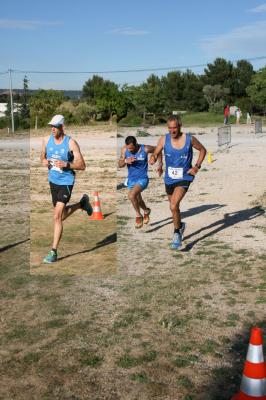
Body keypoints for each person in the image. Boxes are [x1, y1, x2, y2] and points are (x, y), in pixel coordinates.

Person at [41, 114, 93, 263]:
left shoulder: (71, 143)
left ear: (62, 127)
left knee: (57, 217)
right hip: (53, 181)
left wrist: (67, 165)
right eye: (51, 126)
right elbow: (42, 157)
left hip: (66, 181)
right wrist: (43, 161)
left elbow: (82, 166)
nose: (52, 129)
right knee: (61, 215)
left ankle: (53, 252)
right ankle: (82, 204)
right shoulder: (45, 140)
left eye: (55, 126)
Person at [149, 115, 207, 250]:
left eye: (174, 128)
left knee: (174, 205)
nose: (172, 131)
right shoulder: (164, 139)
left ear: (180, 126)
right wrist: (153, 158)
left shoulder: (189, 139)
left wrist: (196, 166)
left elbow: (203, 150)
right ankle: (180, 226)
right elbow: (156, 152)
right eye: (170, 128)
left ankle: (176, 234)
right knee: (173, 207)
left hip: (184, 177)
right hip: (169, 178)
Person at [118, 136, 163, 228]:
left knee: (131, 195)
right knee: (138, 200)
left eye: (131, 148)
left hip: (142, 178)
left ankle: (139, 216)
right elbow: (120, 164)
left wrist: (159, 164)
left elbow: (158, 151)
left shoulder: (145, 149)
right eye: (128, 148)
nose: (129, 150)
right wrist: (126, 160)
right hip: (131, 179)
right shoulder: (124, 149)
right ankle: (146, 211)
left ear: (136, 145)